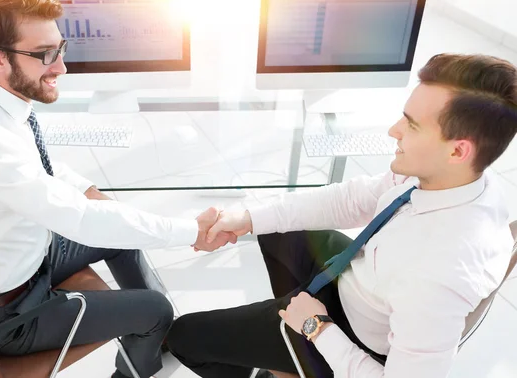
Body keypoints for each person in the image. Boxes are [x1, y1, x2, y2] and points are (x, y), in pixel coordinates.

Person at [0, 0, 233, 378]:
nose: (61, 68)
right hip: (11, 316)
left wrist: (90, 192)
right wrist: (192, 231)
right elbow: (77, 220)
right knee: (157, 310)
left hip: (27, 263)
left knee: (118, 233)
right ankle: (141, 361)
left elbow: (38, 171)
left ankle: (152, 340)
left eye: (61, 48)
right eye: (45, 55)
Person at [166, 53, 517, 378]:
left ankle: (290, 358)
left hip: (350, 333)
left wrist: (318, 329)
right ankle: (286, 352)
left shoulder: (440, 275)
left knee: (183, 337)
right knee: (278, 227)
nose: (393, 130)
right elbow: (352, 199)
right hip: (355, 279)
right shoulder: (454, 177)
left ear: (458, 150)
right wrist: (246, 218)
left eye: (411, 125)